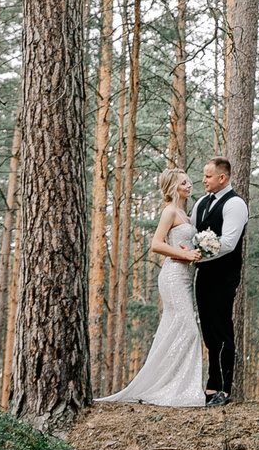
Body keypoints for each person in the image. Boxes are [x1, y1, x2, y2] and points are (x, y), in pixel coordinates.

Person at [98, 169, 210, 407]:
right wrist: (185, 253)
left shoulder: (185, 214)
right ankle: (171, 387)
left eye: (188, 181)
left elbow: (185, 246)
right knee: (189, 330)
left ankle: (170, 385)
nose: (190, 185)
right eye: (184, 182)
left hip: (186, 278)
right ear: (173, 187)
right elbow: (156, 244)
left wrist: (195, 254)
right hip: (173, 278)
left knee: (173, 329)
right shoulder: (170, 211)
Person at [192, 156, 247, 406]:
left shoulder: (235, 204)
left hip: (224, 276)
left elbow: (228, 243)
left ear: (222, 177)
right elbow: (194, 233)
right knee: (209, 333)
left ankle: (224, 389)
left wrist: (198, 254)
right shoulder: (201, 203)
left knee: (222, 331)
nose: (203, 180)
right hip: (203, 275)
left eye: (208, 176)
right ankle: (211, 387)